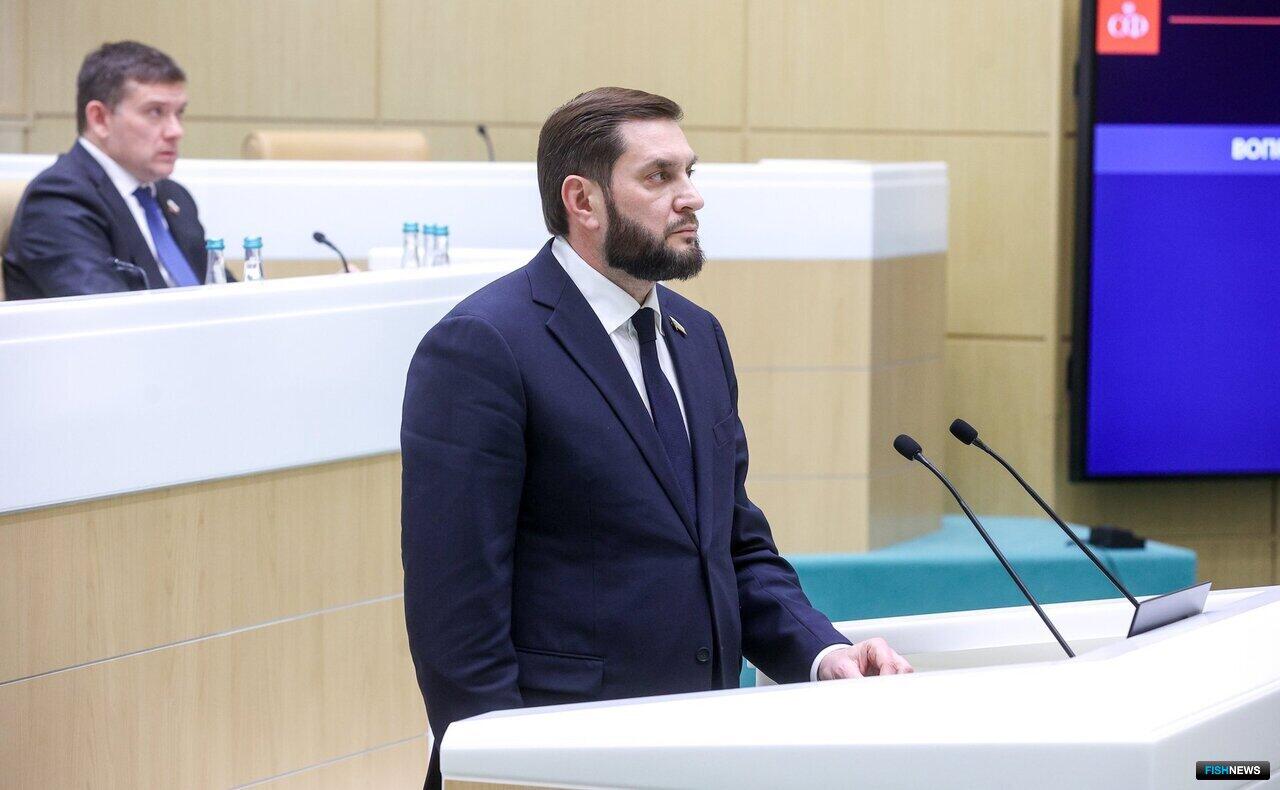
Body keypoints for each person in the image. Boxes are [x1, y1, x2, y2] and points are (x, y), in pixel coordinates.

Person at [401, 87, 912, 789]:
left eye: (688, 172)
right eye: (658, 176)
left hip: (700, 748)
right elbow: (456, 611)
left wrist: (823, 654)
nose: (691, 197)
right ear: (582, 201)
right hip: (562, 760)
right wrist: (498, 769)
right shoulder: (484, 345)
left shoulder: (697, 336)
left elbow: (732, 548)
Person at [3, 41, 209, 300]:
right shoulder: (57, 201)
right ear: (99, 119)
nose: (176, 131)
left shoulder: (173, 196)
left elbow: (219, 285)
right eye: (155, 112)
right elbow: (109, 313)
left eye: (179, 113)